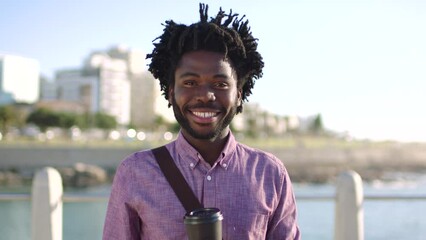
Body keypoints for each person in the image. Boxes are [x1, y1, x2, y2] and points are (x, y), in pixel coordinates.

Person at [103, 3, 300, 239]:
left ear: (239, 94)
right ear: (170, 92)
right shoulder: (134, 172)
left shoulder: (270, 174)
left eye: (220, 84)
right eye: (190, 82)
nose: (206, 95)